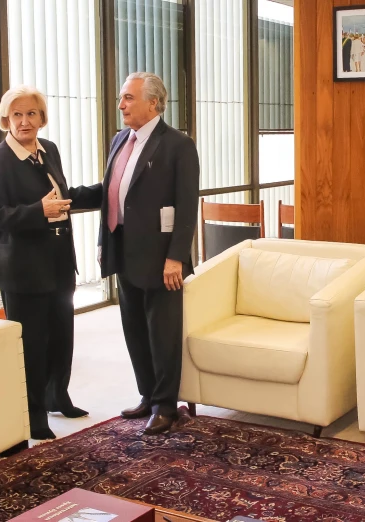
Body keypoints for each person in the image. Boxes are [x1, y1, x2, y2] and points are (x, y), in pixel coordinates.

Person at [0, 86, 102, 441]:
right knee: (31, 344)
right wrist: (39, 212)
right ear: (6, 119)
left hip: (59, 261)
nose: (24, 121)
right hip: (22, 269)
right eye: (17, 115)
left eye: (31, 114)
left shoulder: (48, 150)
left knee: (62, 336)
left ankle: (57, 395)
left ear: (41, 117)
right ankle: (33, 414)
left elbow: (62, 197)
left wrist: (108, 188)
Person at [98, 72, 200, 435]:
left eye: (128, 98)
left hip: (161, 258)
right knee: (135, 329)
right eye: (121, 98)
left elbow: (187, 207)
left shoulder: (177, 145)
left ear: (153, 103)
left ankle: (166, 406)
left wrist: (176, 256)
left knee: (162, 333)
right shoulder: (119, 140)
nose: (121, 105)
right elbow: (111, 189)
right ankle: (147, 395)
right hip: (124, 250)